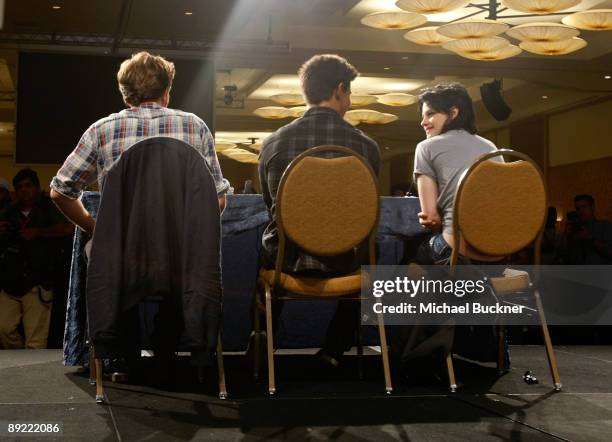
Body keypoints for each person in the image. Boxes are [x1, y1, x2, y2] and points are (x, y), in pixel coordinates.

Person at [258, 54, 381, 367]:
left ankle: (262, 345)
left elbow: (271, 206)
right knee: (370, 248)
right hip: (346, 261)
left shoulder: (274, 143)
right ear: (340, 89)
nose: (350, 99)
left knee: (262, 244)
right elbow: (366, 210)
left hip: (289, 260)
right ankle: (334, 350)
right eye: (349, 92)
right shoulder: (366, 146)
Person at [50, 51, 230, 235]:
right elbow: (218, 199)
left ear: (126, 95)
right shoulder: (195, 127)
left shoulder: (101, 130)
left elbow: (60, 192)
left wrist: (96, 229)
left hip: (118, 253)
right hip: (181, 256)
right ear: (166, 91)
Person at [413, 82, 499, 264]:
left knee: (410, 249)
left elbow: (431, 217)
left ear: (453, 113)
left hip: (456, 255)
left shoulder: (425, 147)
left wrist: (433, 218)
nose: (423, 122)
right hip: (498, 255)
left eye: (430, 114)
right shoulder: (491, 147)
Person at [0, 169, 73, 349]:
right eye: (19, 187)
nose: (24, 191)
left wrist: (39, 233)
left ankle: (31, 372)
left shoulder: (50, 207)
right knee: (4, 330)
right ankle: (18, 364)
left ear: (37, 187)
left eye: (28, 186)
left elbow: (68, 229)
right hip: (10, 281)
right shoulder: (9, 211)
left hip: (39, 281)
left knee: (36, 339)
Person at [565, 194, 612, 264]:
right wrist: (567, 237)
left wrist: (590, 239)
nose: (580, 211)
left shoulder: (604, 225)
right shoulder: (575, 230)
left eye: (584, 207)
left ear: (592, 207)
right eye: (577, 208)